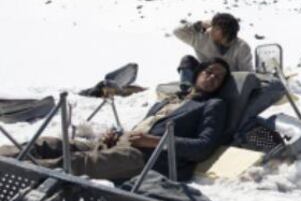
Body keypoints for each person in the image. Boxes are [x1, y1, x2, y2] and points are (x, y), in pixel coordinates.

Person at [2, 59, 231, 182]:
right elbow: (141, 128)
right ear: (198, 73)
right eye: (209, 72)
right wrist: (117, 135)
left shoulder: (213, 106)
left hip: (147, 158)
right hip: (123, 146)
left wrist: (153, 142)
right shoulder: (170, 100)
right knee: (49, 143)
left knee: (76, 162)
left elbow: (203, 148)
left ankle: (13, 173)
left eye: (218, 77)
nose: (212, 78)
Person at [174, 13, 253, 87]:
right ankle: (188, 91)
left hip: (227, 83)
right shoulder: (202, 38)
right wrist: (199, 24)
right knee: (187, 60)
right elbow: (177, 31)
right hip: (205, 77)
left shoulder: (242, 48)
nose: (212, 30)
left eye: (216, 29)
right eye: (213, 27)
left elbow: (247, 74)